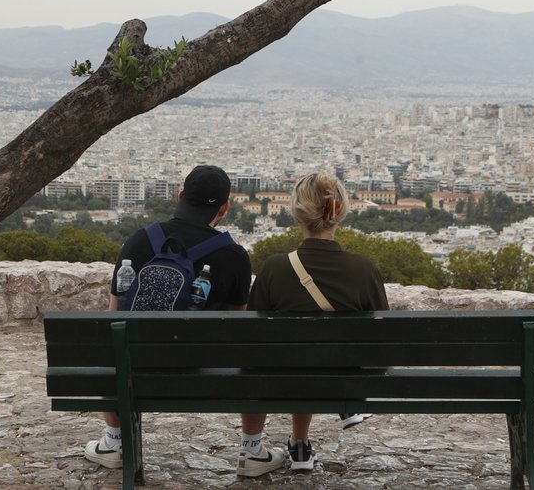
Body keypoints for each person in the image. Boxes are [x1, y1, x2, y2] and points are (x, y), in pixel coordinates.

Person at [83, 165, 253, 469]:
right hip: (203, 374)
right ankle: (253, 446)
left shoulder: (139, 240)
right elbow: (235, 327)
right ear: (225, 208)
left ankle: (113, 440)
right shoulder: (234, 256)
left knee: (110, 348)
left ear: (180, 195)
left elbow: (114, 313)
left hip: (137, 367)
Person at [239, 172, 389, 476]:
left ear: (297, 213)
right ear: (340, 212)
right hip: (341, 384)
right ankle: (301, 442)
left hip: (282, 381)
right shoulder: (364, 269)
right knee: (316, 357)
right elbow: (382, 342)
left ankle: (298, 442)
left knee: (296, 356)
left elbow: (250, 340)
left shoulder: (274, 268)